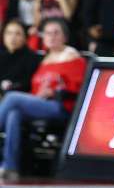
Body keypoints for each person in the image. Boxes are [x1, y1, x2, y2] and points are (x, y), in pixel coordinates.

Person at [0, 17, 86, 181]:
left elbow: (79, 87)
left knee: (12, 98)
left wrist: (55, 91)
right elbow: (35, 90)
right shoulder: (45, 60)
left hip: (60, 107)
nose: (52, 37)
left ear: (64, 37)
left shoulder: (72, 56)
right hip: (41, 104)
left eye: (56, 33)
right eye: (48, 33)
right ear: (43, 37)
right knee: (14, 113)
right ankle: (10, 168)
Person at [0, 19, 39, 96]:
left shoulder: (32, 57)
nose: (12, 37)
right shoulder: (1, 56)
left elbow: (28, 84)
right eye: (9, 33)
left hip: (20, 98)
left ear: (25, 37)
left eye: (18, 34)